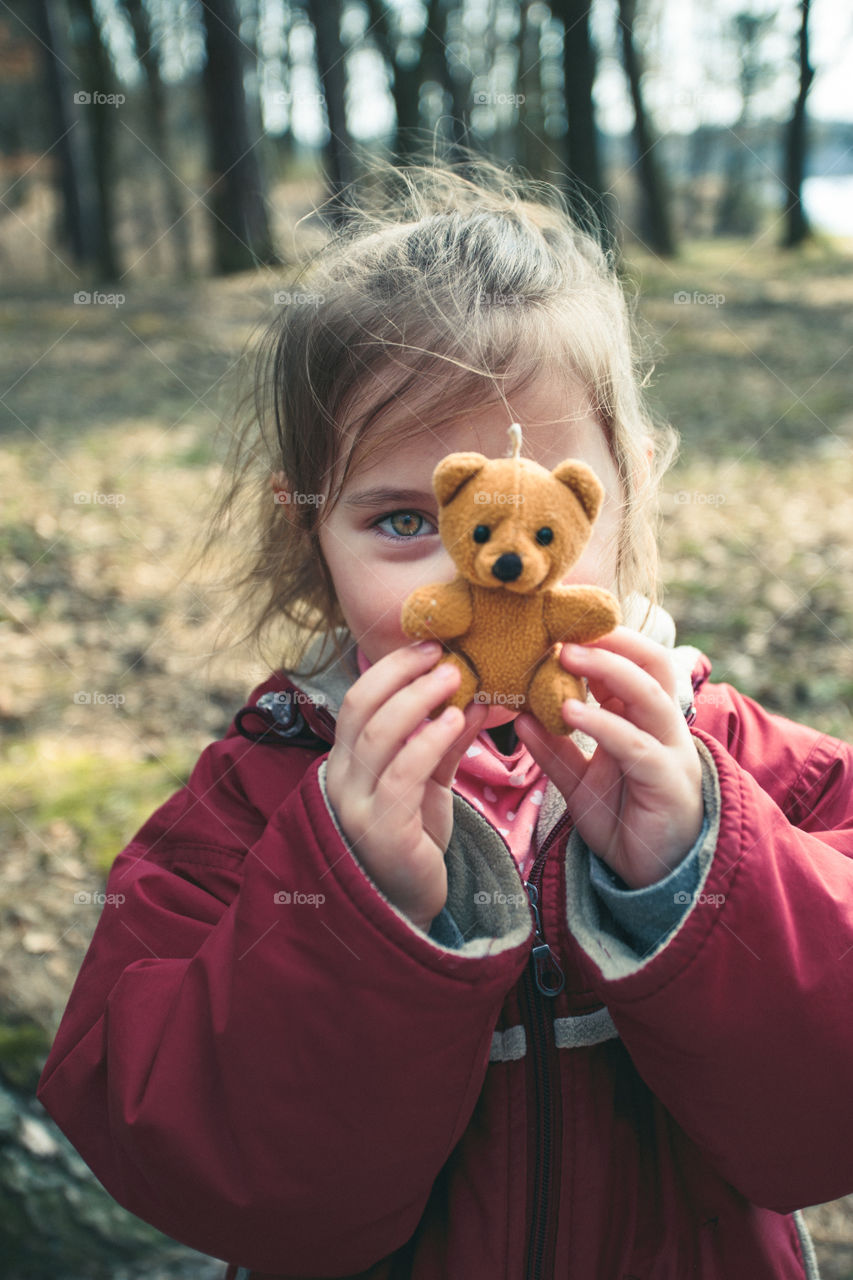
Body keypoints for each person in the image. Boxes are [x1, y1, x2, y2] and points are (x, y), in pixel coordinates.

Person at [36, 158, 850, 1280]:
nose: (490, 580)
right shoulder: (248, 806)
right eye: (404, 517)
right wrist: (352, 897)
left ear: (628, 488)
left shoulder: (759, 773)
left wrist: (692, 866)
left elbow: (818, 1129)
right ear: (310, 527)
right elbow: (198, 1161)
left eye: (545, 520)